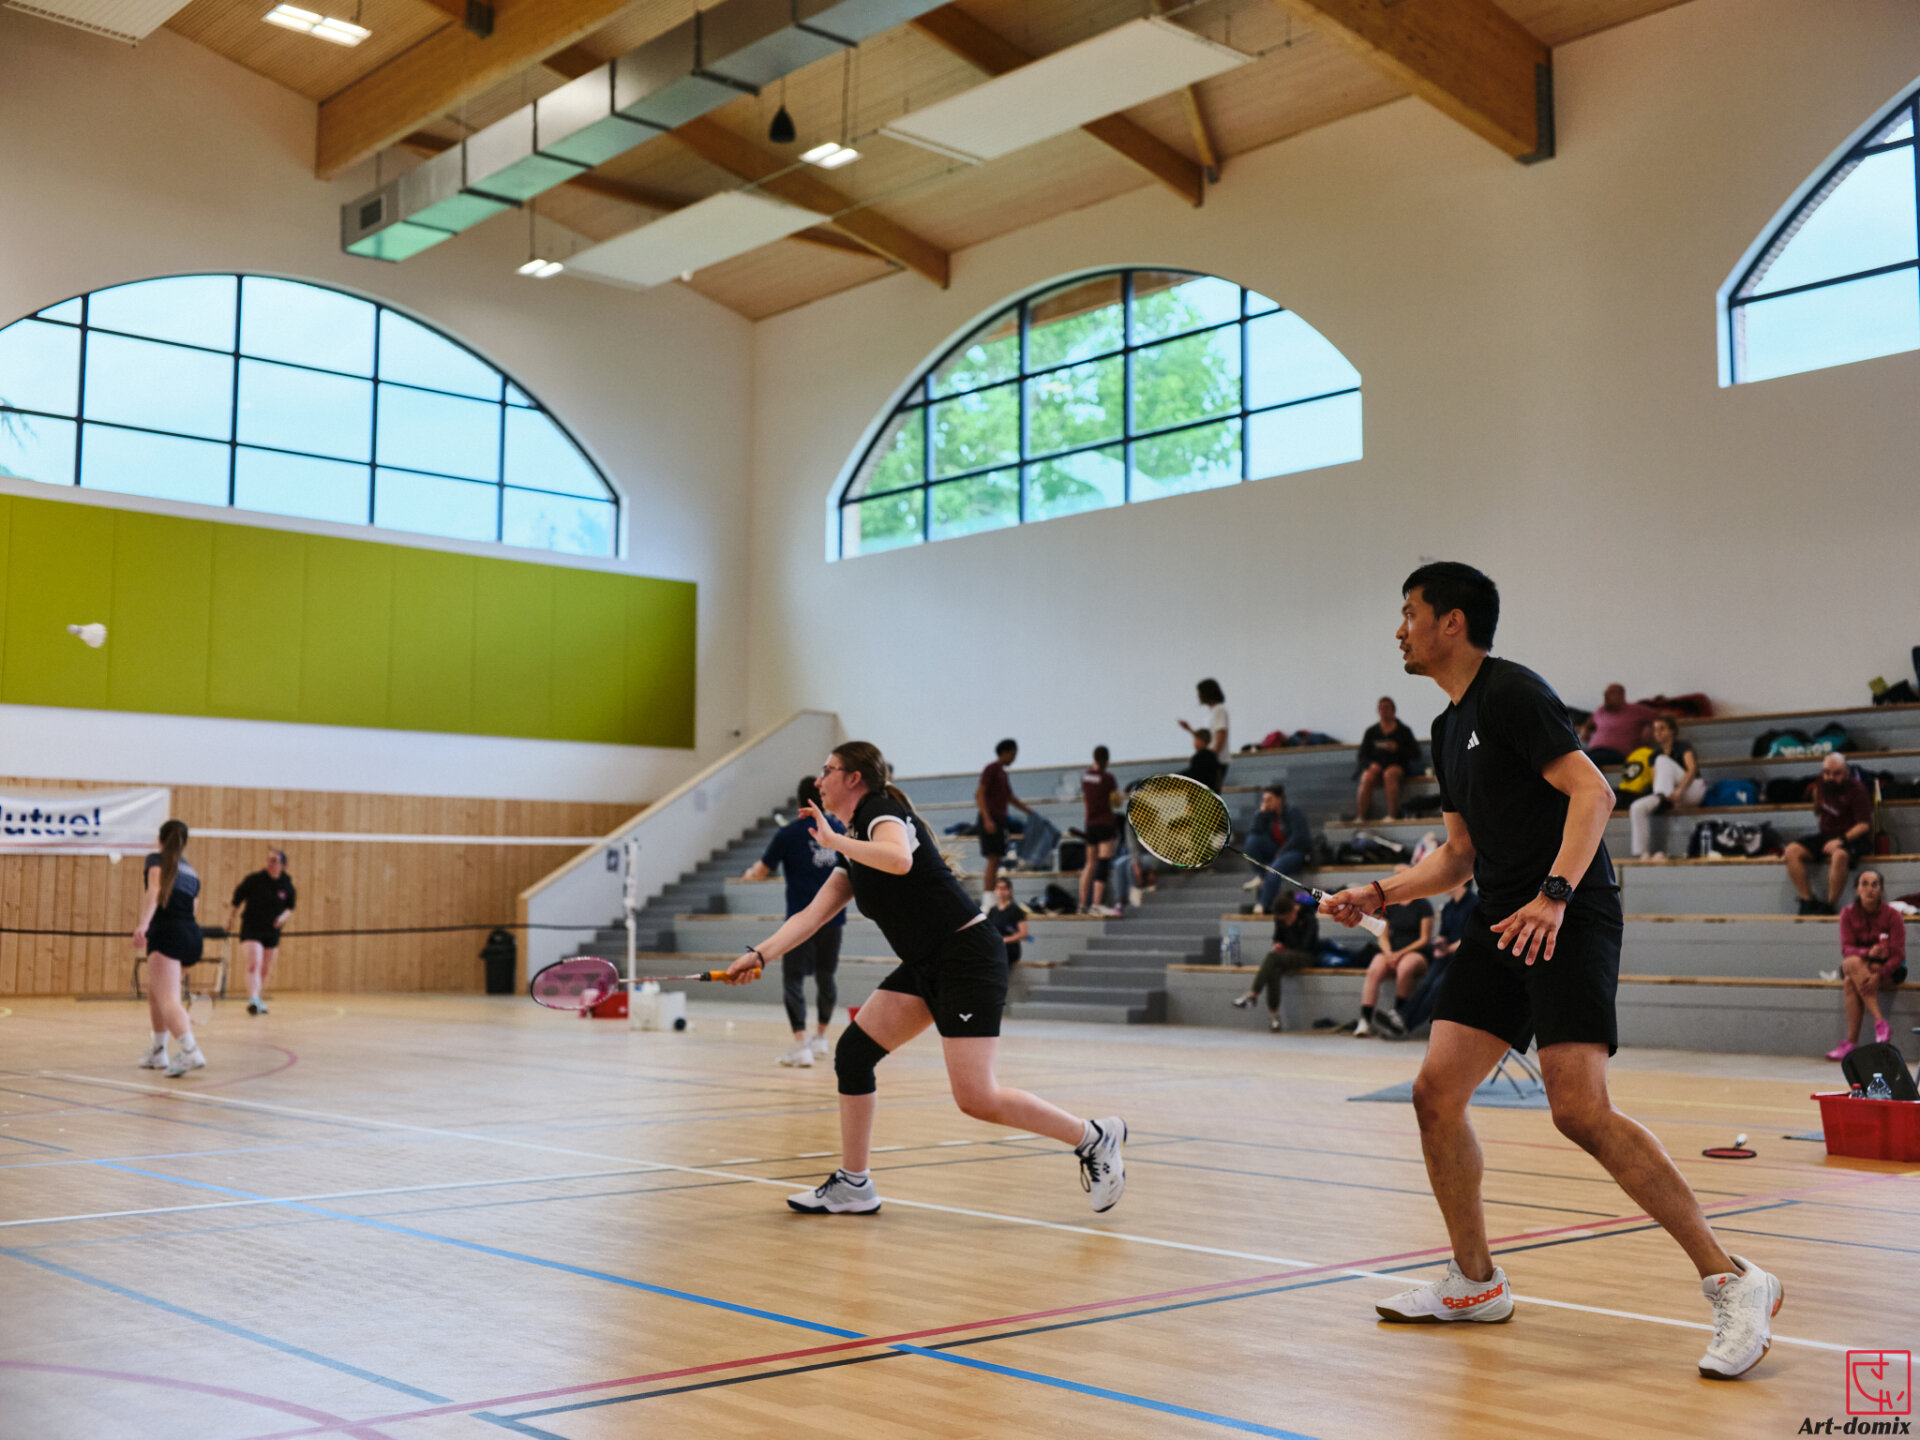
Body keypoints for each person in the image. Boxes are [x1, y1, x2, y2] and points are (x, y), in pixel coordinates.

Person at [1321, 561, 1779, 1379]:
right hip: (1502, 917)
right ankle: (1474, 1282)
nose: (1399, 629)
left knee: (1580, 1111)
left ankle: (1734, 1280)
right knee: (1435, 1095)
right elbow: (1459, 856)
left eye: (1409, 612)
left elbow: (1594, 794)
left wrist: (1556, 895)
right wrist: (1379, 893)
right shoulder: (1445, 728)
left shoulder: (1511, 693)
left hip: (1569, 912)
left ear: (1452, 622)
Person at [723, 742, 1126, 1216]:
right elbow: (811, 916)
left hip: (966, 957)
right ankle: (854, 1184)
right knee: (853, 1055)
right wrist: (759, 955)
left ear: (854, 779)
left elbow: (898, 859)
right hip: (925, 962)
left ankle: (1093, 1137)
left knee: (977, 1098)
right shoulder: (854, 842)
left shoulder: (880, 812)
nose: (819, 780)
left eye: (828, 770)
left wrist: (836, 842)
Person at [743, 776, 848, 1068]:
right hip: (834, 918)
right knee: (826, 976)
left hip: (799, 922)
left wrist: (750, 874)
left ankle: (802, 1045)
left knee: (793, 980)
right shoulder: (839, 830)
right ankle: (821, 1038)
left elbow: (761, 872)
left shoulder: (788, 834)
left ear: (799, 800)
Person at [133, 819, 208, 1079]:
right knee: (156, 994)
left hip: (167, 934)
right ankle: (158, 1052)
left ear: (160, 839)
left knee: (168, 1000)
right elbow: (194, 907)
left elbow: (155, 890)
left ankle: (190, 1051)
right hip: (192, 936)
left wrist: (144, 924)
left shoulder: (156, 859)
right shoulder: (191, 872)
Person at [1827, 868, 1906, 1060]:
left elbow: (1898, 955)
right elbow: (1847, 949)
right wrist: (1868, 953)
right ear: (1857, 889)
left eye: (1874, 884)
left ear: (1881, 889)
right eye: (1865, 884)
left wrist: (1879, 973)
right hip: (1861, 966)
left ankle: (1851, 1042)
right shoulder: (1847, 914)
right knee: (1851, 963)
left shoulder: (1893, 915)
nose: (1870, 889)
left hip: (1888, 969)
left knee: (1850, 978)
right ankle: (1880, 1022)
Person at [1783, 753, 1873, 915]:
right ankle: (1807, 901)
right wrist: (1820, 816)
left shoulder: (1857, 790)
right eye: (1827, 773)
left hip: (1853, 837)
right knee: (1791, 851)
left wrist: (1841, 839)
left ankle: (1830, 906)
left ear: (1846, 772)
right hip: (1827, 834)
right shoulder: (1821, 782)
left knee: (1839, 855)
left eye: (1836, 773)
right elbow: (1817, 802)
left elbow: (1864, 825)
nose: (1830, 777)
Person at [1353, 866, 1432, 1037]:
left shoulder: (1423, 905)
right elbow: (1382, 934)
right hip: (1393, 951)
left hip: (1415, 952)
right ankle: (1365, 1019)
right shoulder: (1391, 906)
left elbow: (1424, 939)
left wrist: (1400, 954)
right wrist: (1388, 953)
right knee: (1375, 967)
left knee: (1406, 966)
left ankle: (1397, 1015)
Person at [1230, 890, 1319, 1031]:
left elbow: (1306, 945)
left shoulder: (1308, 917)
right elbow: (1277, 937)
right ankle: (1274, 1016)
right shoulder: (1280, 920)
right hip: (1285, 956)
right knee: (1274, 970)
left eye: (1286, 918)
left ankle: (1253, 995)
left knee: (1272, 957)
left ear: (1292, 912)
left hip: (1306, 955)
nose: (1284, 921)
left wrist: (1285, 947)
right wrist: (1278, 944)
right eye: (1281, 919)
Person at [225, 848, 296, 1016]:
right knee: (254, 962)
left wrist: (282, 917)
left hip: (271, 931)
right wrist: (229, 919)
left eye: (274, 860)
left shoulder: (287, 885)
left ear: (283, 865)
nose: (270, 863)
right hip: (251, 928)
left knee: (264, 968)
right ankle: (253, 1000)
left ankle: (257, 998)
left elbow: (290, 907)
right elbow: (236, 899)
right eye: (269, 859)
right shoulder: (254, 880)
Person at [1628, 716, 1706, 859]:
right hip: (1667, 794)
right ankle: (1643, 853)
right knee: (1636, 807)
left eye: (1662, 729)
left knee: (1663, 761)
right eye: (1655, 730)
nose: (1657, 733)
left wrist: (1679, 790)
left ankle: (1664, 799)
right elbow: (1656, 779)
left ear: (1672, 731)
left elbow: (1692, 770)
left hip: (1691, 789)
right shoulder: (1654, 755)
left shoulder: (1683, 746)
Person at [974, 738, 1034, 899]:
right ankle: (988, 898)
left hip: (1000, 820)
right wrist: (987, 819)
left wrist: (1029, 812)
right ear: (1005, 753)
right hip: (991, 819)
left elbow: (1009, 797)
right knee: (992, 859)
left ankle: (991, 896)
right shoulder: (991, 769)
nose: (1014, 758)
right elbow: (980, 793)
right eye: (1013, 754)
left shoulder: (1003, 773)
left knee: (997, 859)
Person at [1242, 784, 1311, 914]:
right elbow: (1255, 831)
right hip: (1277, 851)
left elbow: (1299, 837)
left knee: (1273, 869)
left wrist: (1281, 852)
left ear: (1279, 799)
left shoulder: (1293, 811)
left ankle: (1263, 903)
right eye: (1264, 800)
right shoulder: (1269, 814)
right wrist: (1260, 814)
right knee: (1252, 841)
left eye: (1269, 800)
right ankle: (1261, 875)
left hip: (1295, 852)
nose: (1266, 803)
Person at [1355, 696, 1423, 821]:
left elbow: (1415, 754)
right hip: (1377, 767)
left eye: (1386, 708)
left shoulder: (1404, 731)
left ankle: (1392, 815)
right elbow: (1362, 755)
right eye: (1380, 708)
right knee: (1366, 777)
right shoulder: (1371, 732)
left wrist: (1397, 748)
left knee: (1390, 774)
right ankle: (1361, 817)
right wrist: (1370, 765)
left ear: (1393, 710)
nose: (1383, 711)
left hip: (1397, 766)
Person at [1079, 746, 1122, 914]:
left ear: (1094, 758)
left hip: (1090, 824)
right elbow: (1116, 802)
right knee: (1103, 863)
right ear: (1107, 760)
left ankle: (1082, 904)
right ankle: (1096, 904)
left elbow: (1086, 801)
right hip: (1105, 823)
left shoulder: (1086, 777)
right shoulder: (1108, 778)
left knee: (1089, 864)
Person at [1580, 683, 1656, 766]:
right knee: (1578, 758)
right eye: (1605, 693)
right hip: (1595, 751)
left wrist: (1650, 727)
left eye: (1611, 693)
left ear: (1621, 695)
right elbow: (1591, 720)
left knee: (1583, 763)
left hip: (1617, 753)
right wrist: (1586, 729)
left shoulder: (1635, 710)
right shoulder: (1601, 710)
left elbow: (1660, 717)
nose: (1606, 696)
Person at [1178, 678, 1229, 760]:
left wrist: (1213, 756)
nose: (1198, 696)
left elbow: (1221, 734)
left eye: (1200, 693)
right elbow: (1207, 738)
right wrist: (1189, 729)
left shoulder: (1219, 710)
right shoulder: (1211, 712)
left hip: (1216, 760)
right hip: (1210, 757)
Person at [987, 876, 1029, 964]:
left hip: (1009, 950)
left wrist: (1004, 940)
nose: (1001, 892)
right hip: (996, 948)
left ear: (1009, 890)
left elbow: (1023, 934)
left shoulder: (1015, 910)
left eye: (1004, 889)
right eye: (998, 888)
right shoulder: (993, 910)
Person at [1181, 728, 1225, 792]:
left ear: (1200, 741)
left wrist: (1176, 776)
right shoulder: (1212, 756)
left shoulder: (1200, 757)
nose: (1194, 742)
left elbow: (1193, 775)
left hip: (1201, 792)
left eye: (1195, 739)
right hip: (1211, 792)